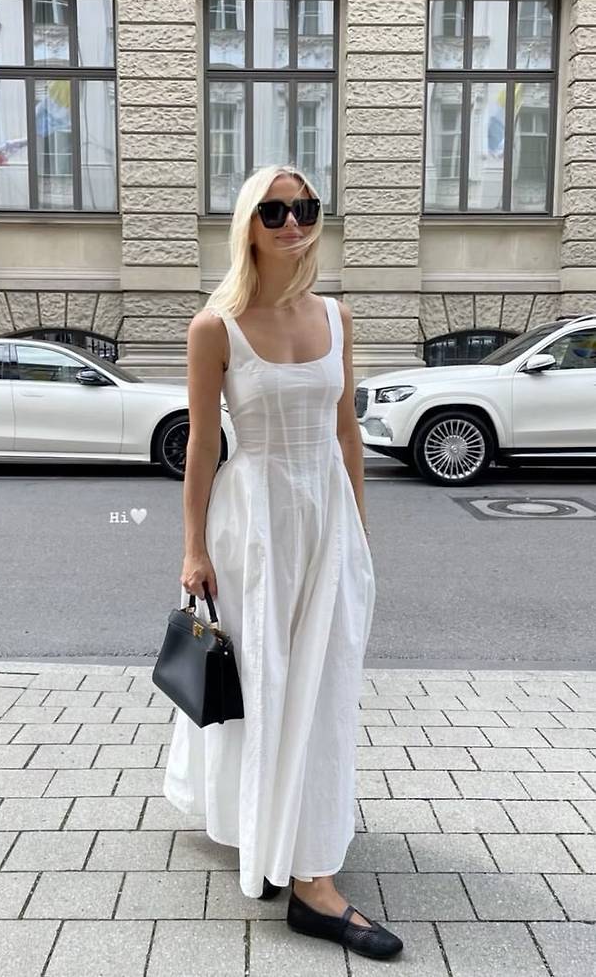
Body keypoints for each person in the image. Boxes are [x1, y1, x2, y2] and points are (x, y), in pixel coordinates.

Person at [163, 164, 403, 961]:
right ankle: (293, 867)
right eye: (274, 210)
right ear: (248, 224)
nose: (293, 221)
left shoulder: (337, 316)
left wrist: (358, 530)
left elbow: (346, 432)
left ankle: (307, 859)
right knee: (262, 683)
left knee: (323, 685)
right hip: (254, 524)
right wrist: (193, 546)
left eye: (304, 208)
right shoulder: (215, 327)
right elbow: (203, 445)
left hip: (326, 518)